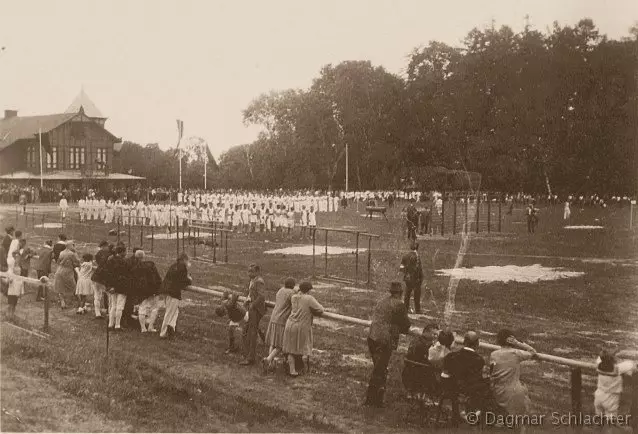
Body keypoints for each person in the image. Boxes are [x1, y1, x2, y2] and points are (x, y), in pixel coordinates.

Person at [365, 281, 411, 407]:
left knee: (379, 369)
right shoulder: (400, 305)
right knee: (379, 371)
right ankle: (373, 400)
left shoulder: (382, 301)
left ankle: (376, 399)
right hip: (384, 341)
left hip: (372, 337)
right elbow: (406, 325)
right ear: (400, 293)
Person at [489, 329, 538, 418]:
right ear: (511, 340)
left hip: (498, 391)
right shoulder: (516, 353)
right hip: (513, 392)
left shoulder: (493, 354)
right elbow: (532, 351)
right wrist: (517, 343)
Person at [282, 281, 324, 377]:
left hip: (290, 324)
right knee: (305, 346)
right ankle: (305, 369)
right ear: (308, 290)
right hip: (302, 326)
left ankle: (292, 370)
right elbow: (321, 309)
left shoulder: (294, 297)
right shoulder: (309, 298)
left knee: (290, 349)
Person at [263, 277, 296, 372]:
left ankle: (270, 365)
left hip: (273, 317)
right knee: (280, 345)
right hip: (282, 320)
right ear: (293, 286)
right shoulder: (292, 293)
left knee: (273, 343)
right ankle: (268, 359)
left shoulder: (280, 290)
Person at [594, 350, 635, 419]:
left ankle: (598, 428)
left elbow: (600, 358)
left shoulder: (599, 365)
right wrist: (618, 356)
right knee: (611, 419)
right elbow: (632, 364)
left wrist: (610, 354)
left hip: (599, 394)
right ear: (612, 359)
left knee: (598, 416)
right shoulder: (618, 368)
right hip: (611, 398)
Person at [402, 323, 439, 399]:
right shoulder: (428, 346)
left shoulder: (415, 340)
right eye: (434, 334)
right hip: (421, 373)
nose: (436, 336)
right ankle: (425, 393)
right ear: (426, 332)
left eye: (436, 335)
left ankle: (411, 391)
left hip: (408, 371)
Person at [159, 253, 192, 339]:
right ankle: (163, 333)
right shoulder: (182, 267)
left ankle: (171, 328)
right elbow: (184, 281)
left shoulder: (174, 265)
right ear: (184, 260)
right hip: (173, 292)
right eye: (188, 260)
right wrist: (189, 279)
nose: (188, 262)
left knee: (175, 312)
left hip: (166, 290)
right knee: (170, 313)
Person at [240, 265, 267, 366]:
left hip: (255, 310)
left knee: (251, 332)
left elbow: (262, 296)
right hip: (251, 309)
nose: (249, 273)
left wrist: (253, 305)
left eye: (251, 271)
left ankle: (250, 357)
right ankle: (248, 354)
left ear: (257, 272)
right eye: (248, 271)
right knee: (248, 331)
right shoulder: (253, 280)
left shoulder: (259, 281)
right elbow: (253, 294)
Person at [132, 250, 162, 333]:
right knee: (154, 308)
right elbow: (156, 277)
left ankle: (143, 328)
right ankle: (150, 326)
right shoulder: (150, 264)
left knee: (142, 307)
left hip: (141, 290)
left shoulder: (135, 268)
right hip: (152, 289)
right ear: (144, 256)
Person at [104, 246, 130, 331]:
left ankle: (111, 324)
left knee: (113, 306)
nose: (126, 253)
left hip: (112, 286)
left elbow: (108, 274)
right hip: (121, 287)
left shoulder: (110, 260)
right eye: (125, 251)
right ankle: (117, 325)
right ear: (122, 252)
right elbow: (124, 276)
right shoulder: (124, 262)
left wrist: (110, 286)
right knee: (120, 307)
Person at [53, 241, 80, 309]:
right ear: (70, 246)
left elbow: (58, 262)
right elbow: (77, 263)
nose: (74, 247)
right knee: (74, 287)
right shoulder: (71, 254)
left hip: (59, 270)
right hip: (67, 272)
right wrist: (75, 252)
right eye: (73, 245)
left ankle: (63, 303)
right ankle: (80, 303)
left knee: (60, 287)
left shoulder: (61, 252)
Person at [400, 241, 423, 314]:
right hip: (416, 278)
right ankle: (417, 310)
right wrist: (420, 278)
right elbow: (419, 269)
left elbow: (401, 268)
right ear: (417, 247)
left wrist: (407, 273)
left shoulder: (405, 256)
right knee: (417, 295)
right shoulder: (417, 256)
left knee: (407, 294)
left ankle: (406, 309)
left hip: (407, 278)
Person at [91, 241, 111, 319]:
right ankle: (109, 312)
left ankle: (97, 313)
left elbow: (98, 263)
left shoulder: (98, 254)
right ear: (106, 245)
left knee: (97, 296)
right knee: (109, 296)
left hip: (96, 276)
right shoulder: (110, 253)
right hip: (105, 276)